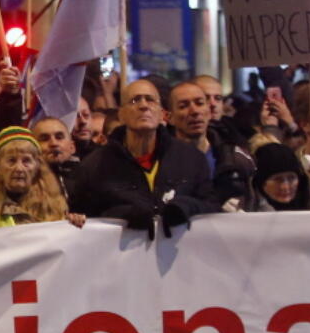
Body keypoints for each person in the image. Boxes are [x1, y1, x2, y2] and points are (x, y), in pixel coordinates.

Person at [74, 78, 219, 235]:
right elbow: (82, 218)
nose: (143, 106)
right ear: (121, 114)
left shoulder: (191, 158)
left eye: (150, 100)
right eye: (135, 100)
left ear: (162, 114)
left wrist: (185, 206)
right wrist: (122, 214)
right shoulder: (95, 165)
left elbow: (211, 206)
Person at [0, 127, 84, 237]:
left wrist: (72, 223)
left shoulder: (54, 205)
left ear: (37, 166)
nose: (19, 168)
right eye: (11, 160)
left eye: (26, 161)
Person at [167, 81, 253, 204]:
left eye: (200, 103)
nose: (194, 111)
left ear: (208, 110)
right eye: (183, 106)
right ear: (170, 117)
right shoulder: (161, 160)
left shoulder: (236, 158)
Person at [235, 142, 310, 212]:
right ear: (261, 182)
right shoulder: (244, 216)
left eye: (291, 178)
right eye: (277, 179)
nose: (285, 186)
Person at [30, 117, 81, 201]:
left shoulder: (88, 178)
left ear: (72, 147)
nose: (53, 143)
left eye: (59, 137)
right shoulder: (26, 182)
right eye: (44, 139)